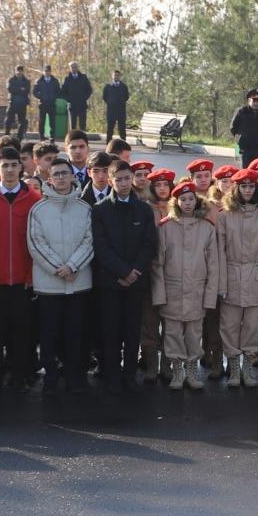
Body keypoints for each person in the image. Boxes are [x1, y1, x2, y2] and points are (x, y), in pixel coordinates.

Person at [0, 147, 43, 394]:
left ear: (21, 167)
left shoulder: (34, 199)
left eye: (14, 165)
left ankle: (20, 375)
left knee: (21, 332)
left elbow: (37, 242)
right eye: (5, 165)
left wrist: (31, 275)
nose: (10, 170)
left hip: (24, 281)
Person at [27, 163, 94, 395]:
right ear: (50, 178)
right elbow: (36, 243)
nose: (61, 177)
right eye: (56, 174)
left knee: (76, 332)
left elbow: (90, 240)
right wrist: (60, 268)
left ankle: (75, 375)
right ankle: (51, 376)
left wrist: (74, 265)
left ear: (72, 176)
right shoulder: (39, 209)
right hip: (50, 284)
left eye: (65, 173)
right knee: (49, 333)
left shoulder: (84, 208)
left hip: (79, 282)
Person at [94, 162, 160, 392]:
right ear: (110, 180)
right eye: (118, 179)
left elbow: (149, 244)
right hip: (110, 281)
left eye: (126, 178)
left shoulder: (143, 209)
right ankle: (112, 375)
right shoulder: (100, 209)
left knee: (133, 329)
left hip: (136, 281)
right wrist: (122, 271)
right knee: (110, 330)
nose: (123, 183)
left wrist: (134, 271)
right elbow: (101, 247)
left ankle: (130, 374)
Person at [152, 180, 222, 390]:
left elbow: (213, 264)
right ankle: (177, 370)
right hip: (172, 290)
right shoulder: (166, 226)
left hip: (196, 291)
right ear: (176, 201)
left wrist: (210, 296)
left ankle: (191, 371)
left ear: (197, 201)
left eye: (191, 199)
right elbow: (158, 264)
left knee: (194, 333)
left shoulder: (206, 227)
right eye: (183, 199)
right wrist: (160, 295)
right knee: (172, 333)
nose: (187, 203)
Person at [212, 168, 258, 388]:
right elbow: (218, 253)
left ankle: (247, 368)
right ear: (236, 188)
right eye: (244, 186)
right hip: (231, 275)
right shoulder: (224, 215)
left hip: (257, 276)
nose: (248, 190)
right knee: (229, 326)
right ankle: (233, 368)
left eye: (252, 186)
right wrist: (220, 285)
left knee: (252, 325)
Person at [230, 88, 258, 167]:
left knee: (255, 171)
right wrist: (240, 138)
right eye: (254, 101)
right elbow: (233, 127)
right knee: (244, 172)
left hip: (257, 148)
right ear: (249, 100)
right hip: (244, 148)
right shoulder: (241, 111)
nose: (256, 103)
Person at [61, 62, 93, 134]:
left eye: (75, 67)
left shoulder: (83, 77)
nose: (74, 69)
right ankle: (73, 141)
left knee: (82, 125)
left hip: (82, 104)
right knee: (73, 125)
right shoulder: (67, 79)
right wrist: (69, 99)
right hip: (72, 105)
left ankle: (83, 140)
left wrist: (85, 98)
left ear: (78, 67)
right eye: (72, 67)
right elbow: (62, 92)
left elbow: (89, 89)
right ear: (70, 68)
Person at [33, 65, 61, 139]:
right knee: (42, 122)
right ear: (43, 72)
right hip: (42, 104)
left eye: (48, 71)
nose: (47, 73)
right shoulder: (38, 81)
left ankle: (52, 137)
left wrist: (54, 97)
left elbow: (58, 91)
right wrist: (41, 96)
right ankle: (41, 137)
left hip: (52, 104)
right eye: (45, 71)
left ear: (50, 72)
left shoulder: (55, 81)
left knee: (52, 122)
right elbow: (34, 92)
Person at [101, 69, 130, 139]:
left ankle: (123, 144)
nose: (116, 76)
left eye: (118, 75)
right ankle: (109, 145)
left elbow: (126, 96)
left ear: (120, 76)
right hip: (111, 111)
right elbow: (104, 97)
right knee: (110, 129)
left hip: (121, 111)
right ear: (112, 76)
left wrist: (121, 102)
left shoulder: (123, 86)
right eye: (115, 75)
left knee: (122, 129)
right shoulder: (108, 86)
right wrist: (110, 102)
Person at [5, 65, 32, 137]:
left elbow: (27, 90)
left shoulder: (27, 81)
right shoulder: (11, 80)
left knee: (22, 122)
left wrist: (17, 89)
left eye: (20, 71)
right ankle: (6, 135)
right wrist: (20, 89)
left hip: (22, 104)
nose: (19, 73)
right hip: (12, 103)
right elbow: (10, 89)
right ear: (15, 71)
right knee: (8, 120)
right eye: (18, 71)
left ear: (23, 72)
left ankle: (19, 138)